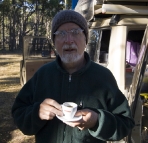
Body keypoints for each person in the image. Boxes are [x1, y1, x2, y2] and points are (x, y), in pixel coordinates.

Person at [11, 10, 135, 143]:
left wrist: (97, 121)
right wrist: (36, 113)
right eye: (61, 34)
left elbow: (125, 123)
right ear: (54, 41)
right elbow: (19, 113)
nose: (68, 40)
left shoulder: (103, 77)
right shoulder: (42, 75)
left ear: (85, 39)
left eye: (75, 32)